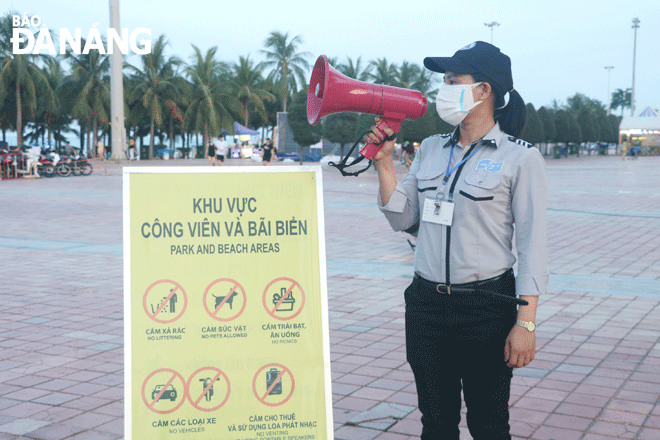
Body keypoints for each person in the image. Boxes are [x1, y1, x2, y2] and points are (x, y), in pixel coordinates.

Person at [366, 41, 547, 440]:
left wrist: (527, 323)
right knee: (436, 422)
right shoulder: (430, 149)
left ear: (484, 90)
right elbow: (403, 218)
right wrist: (384, 163)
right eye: (444, 80)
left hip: (486, 307)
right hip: (427, 306)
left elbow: (533, 246)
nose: (443, 89)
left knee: (489, 424)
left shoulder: (521, 158)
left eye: (454, 80)